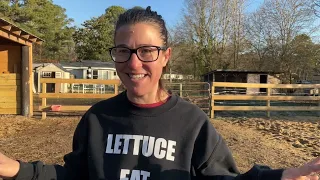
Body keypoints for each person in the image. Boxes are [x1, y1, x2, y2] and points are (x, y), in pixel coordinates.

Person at [0, 6, 319, 180]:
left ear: (166, 57)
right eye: (123, 51)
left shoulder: (191, 123)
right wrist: (14, 168)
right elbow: (74, 178)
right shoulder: (97, 119)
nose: (134, 62)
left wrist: (283, 177)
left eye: (147, 51)